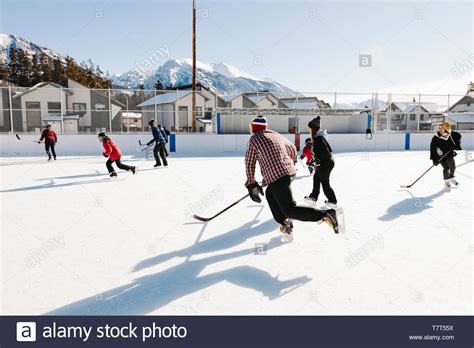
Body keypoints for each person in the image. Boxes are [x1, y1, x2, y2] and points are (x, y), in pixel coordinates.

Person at [244, 115, 340, 237]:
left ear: (254, 127)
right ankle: (285, 223)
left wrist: (251, 184)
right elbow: (292, 148)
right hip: (289, 172)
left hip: (278, 175)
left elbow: (249, 163)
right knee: (270, 193)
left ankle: (326, 214)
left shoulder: (254, 139)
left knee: (290, 210)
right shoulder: (275, 134)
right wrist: (290, 162)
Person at [305, 116, 338, 207]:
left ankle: (332, 201)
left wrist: (316, 161)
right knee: (316, 178)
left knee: (325, 182)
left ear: (313, 129)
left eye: (310, 128)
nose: (309, 130)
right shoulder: (318, 138)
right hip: (325, 162)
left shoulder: (319, 139)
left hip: (326, 163)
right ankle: (314, 197)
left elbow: (325, 153)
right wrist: (315, 161)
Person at [430, 121, 462, 188]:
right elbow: (432, 149)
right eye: (439, 128)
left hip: (449, 154)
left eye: (442, 128)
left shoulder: (450, 135)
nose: (440, 129)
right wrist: (434, 159)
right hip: (441, 156)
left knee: (453, 167)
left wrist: (456, 144)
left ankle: (451, 178)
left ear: (446, 129)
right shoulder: (436, 138)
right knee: (446, 167)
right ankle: (446, 181)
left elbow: (458, 137)